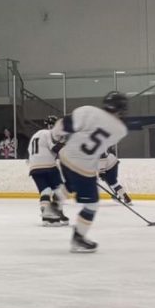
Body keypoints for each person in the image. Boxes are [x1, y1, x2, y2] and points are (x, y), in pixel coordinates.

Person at [53, 91, 130, 253]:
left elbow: (63, 126)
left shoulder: (88, 110)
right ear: (122, 110)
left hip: (65, 156)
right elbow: (101, 146)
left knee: (71, 184)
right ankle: (78, 238)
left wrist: (55, 136)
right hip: (83, 166)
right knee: (92, 204)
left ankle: (56, 201)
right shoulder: (120, 130)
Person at [27, 116, 68, 225]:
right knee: (61, 189)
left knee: (45, 191)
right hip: (48, 166)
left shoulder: (36, 135)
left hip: (34, 168)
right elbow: (54, 148)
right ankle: (56, 211)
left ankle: (46, 214)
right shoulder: (48, 133)